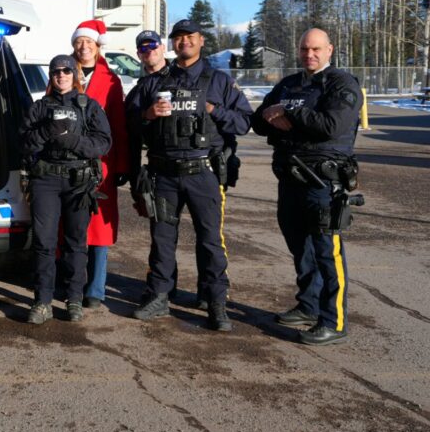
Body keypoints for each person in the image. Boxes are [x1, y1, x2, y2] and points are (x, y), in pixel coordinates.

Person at [125, 19, 253, 332]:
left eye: (190, 37)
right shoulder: (156, 81)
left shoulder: (218, 81)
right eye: (178, 38)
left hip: (204, 173)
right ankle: (159, 295)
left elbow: (244, 122)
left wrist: (213, 110)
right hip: (164, 173)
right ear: (173, 44)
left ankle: (214, 300)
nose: (184, 42)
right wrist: (147, 114)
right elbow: (127, 120)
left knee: (210, 240)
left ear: (200, 41)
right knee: (162, 239)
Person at [250, 28, 362, 346]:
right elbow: (258, 121)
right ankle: (308, 307)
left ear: (329, 50)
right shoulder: (289, 84)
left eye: (315, 49)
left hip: (322, 182)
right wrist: (280, 115)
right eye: (303, 49)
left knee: (328, 252)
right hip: (290, 179)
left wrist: (289, 113)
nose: (309, 55)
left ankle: (334, 320)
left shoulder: (341, 83)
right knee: (301, 248)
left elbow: (332, 126)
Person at [20, 54, 112, 324]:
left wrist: (73, 140)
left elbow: (103, 143)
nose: (61, 75)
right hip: (45, 180)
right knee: (44, 243)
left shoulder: (89, 107)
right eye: (56, 71)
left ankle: (74, 299)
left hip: (78, 181)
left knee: (75, 242)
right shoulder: (39, 108)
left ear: (75, 74)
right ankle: (42, 301)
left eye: (66, 71)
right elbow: (24, 145)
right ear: (51, 76)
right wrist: (46, 132)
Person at [69, 20, 128, 309]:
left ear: (97, 46)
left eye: (88, 43)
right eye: (79, 42)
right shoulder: (63, 73)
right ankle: (72, 283)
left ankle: (95, 289)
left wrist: (120, 166)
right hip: (66, 161)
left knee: (99, 228)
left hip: (100, 163)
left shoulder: (111, 80)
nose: (83, 47)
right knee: (70, 224)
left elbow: (119, 125)